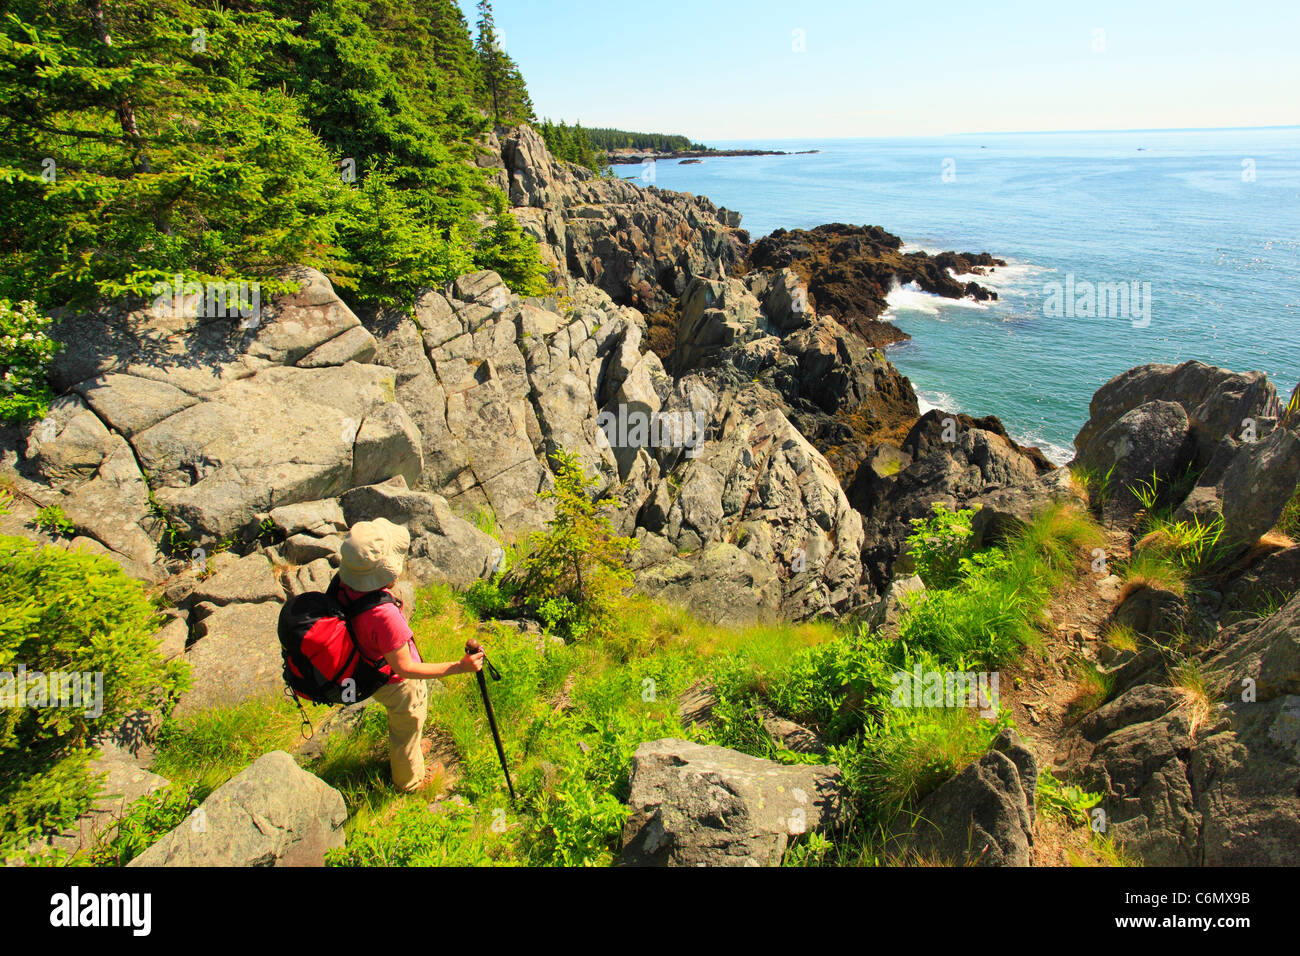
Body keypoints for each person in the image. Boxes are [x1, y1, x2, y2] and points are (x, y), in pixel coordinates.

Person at [335, 517, 484, 792]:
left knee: (409, 726)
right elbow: (405, 668)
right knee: (407, 724)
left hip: (367, 663)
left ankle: (413, 749)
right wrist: (458, 667)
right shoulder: (383, 615)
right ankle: (410, 780)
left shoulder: (346, 584)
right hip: (395, 683)